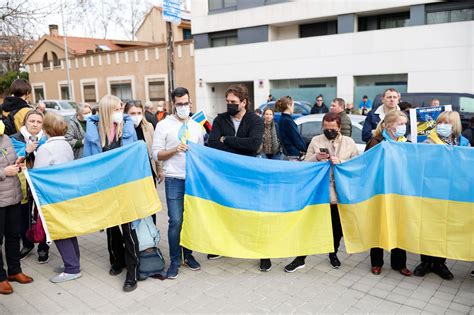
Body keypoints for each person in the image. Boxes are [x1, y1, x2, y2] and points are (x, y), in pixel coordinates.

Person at [284, 112, 358, 272]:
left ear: (339, 127)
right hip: (319, 191)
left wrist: (342, 162)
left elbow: (357, 165)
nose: (329, 130)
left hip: (340, 192)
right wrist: (316, 158)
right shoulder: (316, 141)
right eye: (326, 128)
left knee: (336, 228)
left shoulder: (349, 142)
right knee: (310, 226)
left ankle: (333, 253)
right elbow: (305, 164)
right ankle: (300, 258)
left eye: (332, 128)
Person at [83, 94, 140, 292]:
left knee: (128, 228)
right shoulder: (93, 133)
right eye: (116, 108)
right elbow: (87, 160)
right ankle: (116, 261)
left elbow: (135, 154)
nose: (120, 111)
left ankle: (132, 272)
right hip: (105, 186)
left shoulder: (127, 127)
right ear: (107, 111)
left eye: (121, 107)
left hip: (125, 185)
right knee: (111, 227)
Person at [207, 84, 264, 268]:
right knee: (225, 210)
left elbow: (254, 145)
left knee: (253, 212)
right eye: (228, 101)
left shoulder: (255, 120)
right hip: (226, 175)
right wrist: (239, 146)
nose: (229, 105)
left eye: (233, 102)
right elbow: (213, 143)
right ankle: (221, 247)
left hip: (249, 174)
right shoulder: (220, 119)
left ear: (244, 102)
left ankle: (263, 253)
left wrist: (228, 140)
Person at [152, 87, 203, 279]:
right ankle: (174, 260)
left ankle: (188, 255)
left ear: (190, 102)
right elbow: (155, 153)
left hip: (193, 180)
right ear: (173, 104)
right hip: (174, 179)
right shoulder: (163, 125)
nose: (183, 107)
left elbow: (202, 154)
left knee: (190, 220)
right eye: (179, 104)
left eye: (186, 103)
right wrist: (174, 150)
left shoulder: (197, 126)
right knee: (175, 221)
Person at [413, 111, 470, 281]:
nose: (442, 126)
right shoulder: (428, 141)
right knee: (428, 226)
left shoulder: (463, 144)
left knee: (444, 228)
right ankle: (425, 262)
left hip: (452, 193)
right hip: (431, 192)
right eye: (440, 122)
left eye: (446, 123)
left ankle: (439, 263)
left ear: (455, 126)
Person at [34, 113, 81, 283]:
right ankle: (74, 262)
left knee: (59, 230)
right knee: (69, 229)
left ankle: (72, 268)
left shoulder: (45, 149)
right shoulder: (66, 145)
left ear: (46, 129)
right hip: (67, 192)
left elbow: (38, 174)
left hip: (53, 195)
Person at [365, 110, 412, 277]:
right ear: (389, 125)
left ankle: (399, 264)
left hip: (400, 191)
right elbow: (367, 166)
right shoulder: (376, 142)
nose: (403, 127)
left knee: (399, 226)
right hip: (380, 191)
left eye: (405, 124)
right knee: (378, 225)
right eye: (400, 124)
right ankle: (376, 263)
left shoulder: (407, 143)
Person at [10, 110, 49, 263]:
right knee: (23, 215)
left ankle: (43, 247)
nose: (35, 124)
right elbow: (12, 159)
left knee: (41, 215)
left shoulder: (46, 139)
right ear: (25, 122)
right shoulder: (14, 139)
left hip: (40, 184)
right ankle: (27, 244)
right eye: (32, 121)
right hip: (21, 184)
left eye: (39, 122)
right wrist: (26, 150)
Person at [0, 120, 34, 295]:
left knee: (13, 236)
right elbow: (4, 170)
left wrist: (19, 163)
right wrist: (5, 172)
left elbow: (11, 160)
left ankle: (15, 271)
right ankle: (1, 278)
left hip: (13, 197)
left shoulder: (5, 137)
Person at [124, 101, 163, 185]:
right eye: (132, 113)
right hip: (131, 174)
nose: (136, 116)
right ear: (126, 114)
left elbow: (154, 148)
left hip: (148, 171)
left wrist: (159, 169)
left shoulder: (148, 127)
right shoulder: (122, 129)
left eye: (139, 113)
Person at [278, 96, 307, 161]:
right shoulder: (287, 120)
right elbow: (296, 138)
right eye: (293, 105)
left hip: (287, 153)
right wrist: (305, 149)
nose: (293, 108)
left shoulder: (282, 119)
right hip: (293, 155)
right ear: (288, 105)